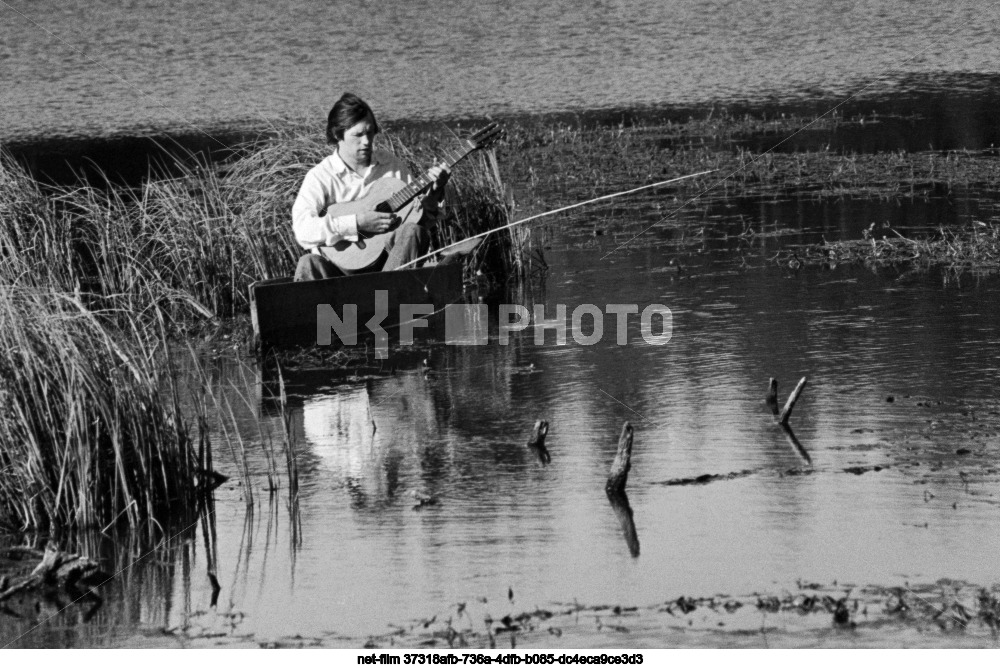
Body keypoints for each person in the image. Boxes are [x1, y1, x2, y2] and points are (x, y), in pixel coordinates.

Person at [292, 93, 450, 281]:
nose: (366, 141)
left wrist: (436, 190)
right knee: (308, 262)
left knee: (414, 232)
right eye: (358, 135)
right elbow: (303, 230)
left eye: (369, 132)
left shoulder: (391, 166)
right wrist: (357, 223)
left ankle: (388, 301)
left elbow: (420, 221)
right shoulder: (321, 176)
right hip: (338, 273)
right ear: (337, 135)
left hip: (390, 267)